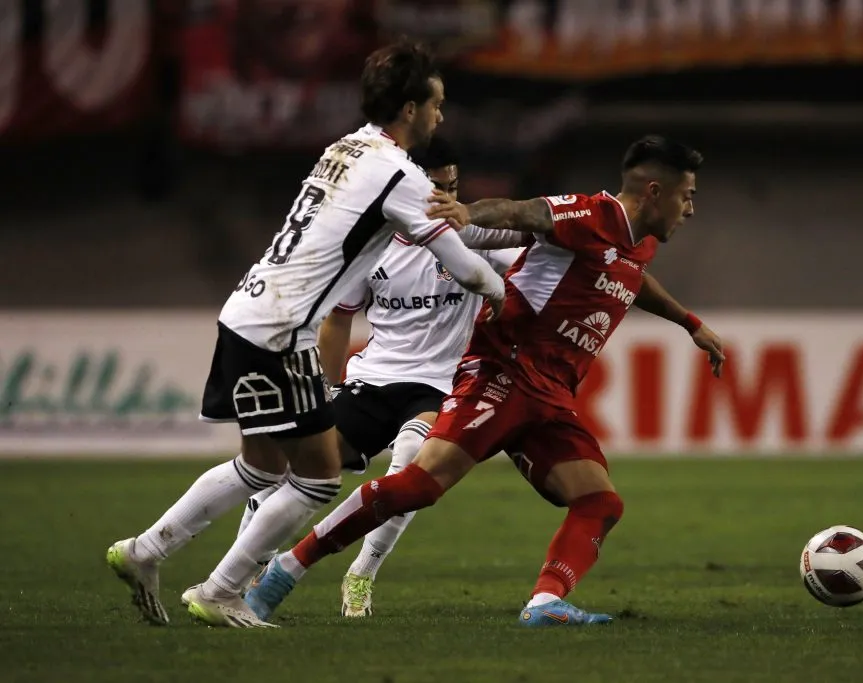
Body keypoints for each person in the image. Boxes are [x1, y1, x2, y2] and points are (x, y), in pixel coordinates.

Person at [244, 134, 726, 626]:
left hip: (550, 395)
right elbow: (520, 212)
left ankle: (545, 603)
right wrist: (467, 213)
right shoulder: (589, 215)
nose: (690, 209)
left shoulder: (639, 244)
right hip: (505, 372)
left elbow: (632, 277)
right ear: (654, 192)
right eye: (686, 196)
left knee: (599, 501)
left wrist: (689, 323)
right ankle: (285, 570)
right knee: (419, 485)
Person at [104, 40, 506, 629]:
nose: (440, 116)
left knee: (260, 468)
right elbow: (468, 269)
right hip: (283, 332)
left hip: (245, 311)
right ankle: (221, 591)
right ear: (410, 108)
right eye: (436, 104)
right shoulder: (400, 174)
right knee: (318, 478)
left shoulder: (343, 148)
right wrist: (502, 297)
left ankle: (145, 551)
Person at [236, 137, 524, 618]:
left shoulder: (474, 238)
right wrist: (326, 390)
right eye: (436, 188)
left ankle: (361, 574)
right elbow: (338, 319)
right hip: (373, 378)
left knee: (412, 460)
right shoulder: (372, 242)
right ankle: (245, 568)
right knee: (294, 467)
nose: (446, 199)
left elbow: (538, 252)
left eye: (453, 188)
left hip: (439, 384)